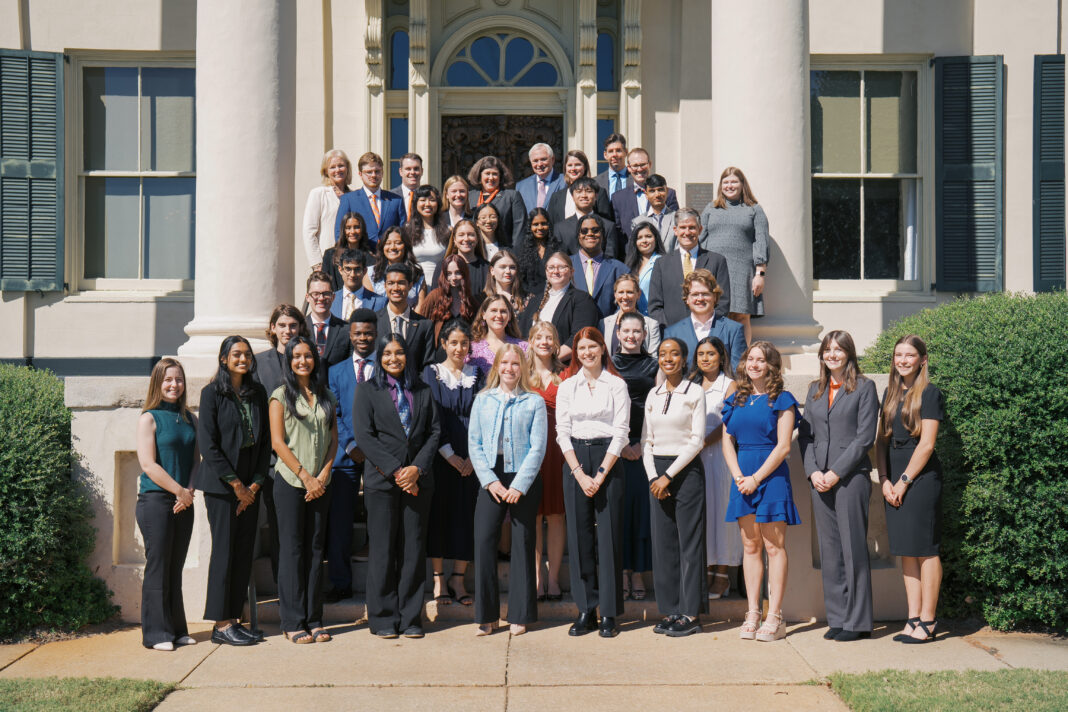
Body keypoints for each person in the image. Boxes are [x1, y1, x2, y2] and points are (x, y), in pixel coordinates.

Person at [353, 333, 441, 638]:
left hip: (418, 483)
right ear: (379, 358)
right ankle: (382, 618)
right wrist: (396, 470)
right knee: (382, 551)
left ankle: (410, 617)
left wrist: (416, 468)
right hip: (382, 483)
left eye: (399, 353)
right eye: (387, 353)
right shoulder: (367, 391)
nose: (393, 358)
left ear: (408, 356)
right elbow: (364, 436)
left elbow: (434, 432)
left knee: (413, 551)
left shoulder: (424, 391)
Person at [799, 330, 879, 642]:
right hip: (819, 479)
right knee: (830, 550)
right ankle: (838, 617)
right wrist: (812, 472)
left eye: (839, 349)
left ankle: (858, 622)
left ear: (849, 353)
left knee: (853, 548)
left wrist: (836, 472)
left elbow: (864, 437)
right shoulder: (815, 390)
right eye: (828, 349)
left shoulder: (864, 387)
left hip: (850, 478)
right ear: (821, 355)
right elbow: (805, 435)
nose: (832, 354)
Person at [721, 341, 800, 642]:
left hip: (771, 477)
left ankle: (775, 615)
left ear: (771, 366)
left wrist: (756, 477)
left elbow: (783, 446)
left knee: (773, 547)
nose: (754, 364)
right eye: (750, 359)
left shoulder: (783, 399)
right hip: (742, 479)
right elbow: (728, 441)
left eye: (761, 360)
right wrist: (739, 476)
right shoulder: (736, 399)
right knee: (750, 547)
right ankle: (752, 611)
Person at [195, 336, 271, 646]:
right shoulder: (211, 393)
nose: (243, 358)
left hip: (250, 488)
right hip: (222, 488)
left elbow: (264, 442)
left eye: (247, 354)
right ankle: (221, 624)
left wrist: (253, 484)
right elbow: (209, 445)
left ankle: (235, 620)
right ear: (224, 359)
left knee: (242, 555)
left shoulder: (258, 393)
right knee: (224, 553)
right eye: (236, 354)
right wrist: (237, 485)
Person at [556, 327, 631, 638]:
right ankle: (586, 607)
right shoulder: (567, 386)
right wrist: (579, 473)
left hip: (608, 460)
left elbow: (622, 431)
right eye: (581, 347)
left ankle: (609, 613)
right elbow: (562, 431)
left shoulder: (616, 385)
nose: (586, 352)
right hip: (575, 461)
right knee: (579, 536)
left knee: (609, 537)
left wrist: (600, 474)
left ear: (602, 348)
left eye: (592, 346)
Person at [469, 344, 548, 635]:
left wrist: (520, 485)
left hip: (522, 475)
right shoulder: (483, 399)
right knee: (484, 541)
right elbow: (474, 444)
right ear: (496, 367)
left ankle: (520, 614)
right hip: (491, 474)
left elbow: (538, 447)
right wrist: (490, 481)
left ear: (523, 368)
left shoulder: (534, 401)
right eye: (505, 363)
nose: (510, 369)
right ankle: (486, 616)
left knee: (523, 542)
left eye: (516, 364)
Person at [268, 336, 338, 644]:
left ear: (315, 359)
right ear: (288, 360)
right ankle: (293, 621)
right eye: (296, 356)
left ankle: (314, 618)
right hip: (291, 482)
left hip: (321, 484)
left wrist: (323, 473)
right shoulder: (280, 395)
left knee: (315, 550)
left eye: (307, 356)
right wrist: (305, 477)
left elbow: (334, 438)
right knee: (292, 550)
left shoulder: (326, 395)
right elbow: (277, 442)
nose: (302, 361)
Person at [876, 335, 944, 644]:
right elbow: (882, 442)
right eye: (898, 355)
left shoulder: (930, 394)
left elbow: (927, 444)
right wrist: (885, 479)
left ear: (922, 360)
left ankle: (929, 620)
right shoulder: (890, 394)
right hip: (894, 483)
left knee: (925, 550)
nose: (903, 360)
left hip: (921, 481)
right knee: (906, 551)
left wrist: (903, 481)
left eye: (910, 355)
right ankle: (913, 616)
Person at [643, 338, 708, 636]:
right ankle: (670, 610)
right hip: (656, 474)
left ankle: (690, 613)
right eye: (662, 354)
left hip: (685, 472)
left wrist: (667, 476)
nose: (668, 358)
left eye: (674, 354)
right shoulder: (653, 394)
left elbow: (697, 440)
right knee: (664, 544)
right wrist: (653, 478)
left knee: (689, 545)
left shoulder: (694, 392)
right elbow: (647, 441)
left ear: (684, 359)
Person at [135, 358, 198, 651]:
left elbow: (196, 461)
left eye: (179, 380)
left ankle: (176, 629)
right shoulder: (149, 417)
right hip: (156, 500)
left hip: (183, 500)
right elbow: (148, 465)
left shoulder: (189, 419)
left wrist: (189, 491)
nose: (174, 385)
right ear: (158, 383)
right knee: (159, 566)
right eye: (168, 380)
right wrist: (178, 491)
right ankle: (156, 634)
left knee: (175, 567)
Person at [423, 319, 484, 608]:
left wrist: (473, 455)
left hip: (472, 456)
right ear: (444, 344)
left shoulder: (479, 374)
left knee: (466, 515)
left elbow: (484, 414)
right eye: (454, 342)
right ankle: (438, 578)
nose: (459, 348)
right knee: (439, 514)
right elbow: (433, 415)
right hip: (440, 453)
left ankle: (458, 578)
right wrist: (449, 455)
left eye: (464, 342)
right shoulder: (432, 374)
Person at [324, 308, 379, 602]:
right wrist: (350, 446)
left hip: (379, 458)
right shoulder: (335, 371)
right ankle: (340, 581)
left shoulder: (386, 366)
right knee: (340, 523)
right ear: (350, 334)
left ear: (376, 334)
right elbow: (335, 412)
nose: (363, 338)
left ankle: (380, 584)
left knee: (380, 521)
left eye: (368, 333)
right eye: (358, 333)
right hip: (345, 458)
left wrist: (372, 448)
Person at [254, 305, 309, 585]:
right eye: (283, 325)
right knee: (279, 526)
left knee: (305, 529)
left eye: (293, 325)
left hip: (308, 457)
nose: (288, 331)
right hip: (273, 461)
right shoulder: (259, 363)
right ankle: (283, 585)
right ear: (273, 328)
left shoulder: (307, 360)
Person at [611, 312, 660, 603]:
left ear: (644, 334)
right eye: (626, 331)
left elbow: (656, 407)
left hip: (644, 445)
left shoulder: (653, 364)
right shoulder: (609, 365)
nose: (631, 336)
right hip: (614, 447)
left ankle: (639, 571)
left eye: (636, 331)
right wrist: (620, 446)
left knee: (641, 512)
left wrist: (642, 443)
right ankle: (622, 570)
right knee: (619, 510)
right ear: (618, 333)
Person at [689, 336, 741, 600]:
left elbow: (728, 423)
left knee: (720, 510)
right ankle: (706, 568)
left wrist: (702, 443)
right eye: (700, 354)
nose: (705, 358)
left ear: (721, 356)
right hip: (693, 457)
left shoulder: (729, 385)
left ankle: (722, 572)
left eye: (710, 353)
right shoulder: (690, 383)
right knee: (702, 512)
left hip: (719, 455)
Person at [698, 167, 770, 345]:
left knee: (740, 316)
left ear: (742, 184)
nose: (729, 186)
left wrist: (760, 274)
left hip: (741, 270)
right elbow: (699, 237)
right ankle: (716, 357)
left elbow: (761, 242)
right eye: (726, 182)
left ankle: (741, 360)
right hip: (712, 269)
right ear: (721, 186)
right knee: (713, 314)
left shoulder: (754, 210)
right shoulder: (711, 208)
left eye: (734, 182)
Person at [526, 322, 567, 602]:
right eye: (538, 337)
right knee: (533, 514)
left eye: (549, 337)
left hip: (558, 449)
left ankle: (553, 579)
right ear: (530, 341)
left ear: (555, 343)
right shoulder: (520, 374)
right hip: (530, 449)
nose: (543, 341)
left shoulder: (564, 375)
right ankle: (537, 578)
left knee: (555, 515)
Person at [647, 208, 731, 324]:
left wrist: (707, 327)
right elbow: (655, 306)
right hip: (672, 335)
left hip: (707, 334)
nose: (687, 232)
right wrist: (669, 332)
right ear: (675, 230)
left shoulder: (717, 261)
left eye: (692, 227)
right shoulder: (661, 264)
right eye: (682, 228)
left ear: (700, 229)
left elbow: (723, 302)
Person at [518, 252, 600, 363]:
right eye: (551, 267)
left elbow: (579, 338)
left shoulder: (582, 299)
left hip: (562, 368)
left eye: (561, 267)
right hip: (531, 368)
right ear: (546, 271)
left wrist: (549, 362)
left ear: (572, 272)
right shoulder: (534, 301)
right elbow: (523, 335)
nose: (555, 271)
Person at [664, 270, 746, 372]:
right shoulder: (672, 333)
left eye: (705, 294)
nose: (700, 298)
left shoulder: (734, 330)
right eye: (695, 294)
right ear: (687, 299)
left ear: (715, 297)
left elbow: (739, 371)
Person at [334, 151, 405, 247]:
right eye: (369, 172)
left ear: (382, 173)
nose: (373, 175)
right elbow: (340, 233)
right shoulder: (349, 199)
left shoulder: (396, 200)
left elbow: (403, 233)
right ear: (360, 174)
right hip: (360, 258)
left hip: (389, 258)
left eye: (377, 171)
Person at [375, 263, 436, 373]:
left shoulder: (425, 325)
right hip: (381, 387)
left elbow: (428, 365)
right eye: (391, 283)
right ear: (385, 286)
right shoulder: (374, 321)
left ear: (410, 285)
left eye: (401, 283)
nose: (396, 288)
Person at [611, 148, 679, 242]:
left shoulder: (669, 194)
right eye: (635, 166)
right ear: (629, 168)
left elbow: (675, 227)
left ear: (649, 165)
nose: (639, 169)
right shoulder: (618, 198)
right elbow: (617, 233)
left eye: (643, 164)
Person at [569, 214, 630, 319]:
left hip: (609, 330)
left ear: (603, 235)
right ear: (578, 236)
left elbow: (628, 302)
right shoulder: (565, 266)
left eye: (595, 230)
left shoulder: (620, 269)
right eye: (584, 231)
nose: (590, 234)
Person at [302, 148, 351, 270]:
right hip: (326, 262)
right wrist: (317, 264)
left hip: (350, 263)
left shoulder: (354, 195)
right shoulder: (319, 194)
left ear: (347, 168)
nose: (337, 170)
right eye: (332, 167)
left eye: (341, 166)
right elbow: (309, 231)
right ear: (326, 171)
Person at [556, 178, 624, 260]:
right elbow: (560, 260)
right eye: (579, 191)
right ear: (572, 196)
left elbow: (610, 258)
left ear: (596, 196)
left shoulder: (608, 226)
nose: (584, 195)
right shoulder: (560, 228)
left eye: (589, 191)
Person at [419, 253, 480, 346]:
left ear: (464, 274)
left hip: (463, 354)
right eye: (449, 274)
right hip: (438, 354)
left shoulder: (470, 301)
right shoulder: (434, 296)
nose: (454, 278)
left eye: (458, 272)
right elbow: (421, 325)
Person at [467, 155, 526, 247]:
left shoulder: (511, 196)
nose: (491, 178)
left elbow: (520, 230)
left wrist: (514, 256)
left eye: (495, 174)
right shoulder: (470, 196)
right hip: (475, 252)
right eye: (487, 173)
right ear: (479, 176)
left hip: (503, 252)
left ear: (501, 177)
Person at [365, 226, 428, 311]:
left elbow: (420, 309)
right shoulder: (371, 273)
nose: (393, 247)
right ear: (382, 247)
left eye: (398, 243)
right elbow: (369, 307)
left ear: (405, 246)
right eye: (388, 243)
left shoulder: (417, 274)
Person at [305, 270, 352, 380]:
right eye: (316, 294)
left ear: (333, 297)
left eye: (326, 293)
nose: (321, 298)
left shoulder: (346, 329)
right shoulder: (299, 329)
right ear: (308, 297)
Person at [548, 149, 614, 225]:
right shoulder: (556, 197)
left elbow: (606, 223)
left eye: (577, 164)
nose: (573, 169)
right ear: (565, 168)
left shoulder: (599, 193)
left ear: (585, 167)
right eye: (570, 165)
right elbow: (551, 225)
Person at [403, 184, 451, 287]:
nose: (427, 204)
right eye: (423, 200)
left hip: (440, 286)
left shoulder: (448, 231)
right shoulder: (407, 230)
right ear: (415, 203)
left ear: (438, 204)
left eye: (432, 200)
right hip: (414, 285)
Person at [601, 274, 662, 354]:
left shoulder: (651, 325)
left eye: (630, 292)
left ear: (638, 294)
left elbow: (653, 359)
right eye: (621, 292)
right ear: (615, 295)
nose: (625, 297)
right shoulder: (604, 324)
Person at [468, 294, 529, 374]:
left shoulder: (523, 347)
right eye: (494, 310)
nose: (499, 315)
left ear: (509, 315)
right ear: (484, 315)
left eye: (503, 311)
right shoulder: (471, 349)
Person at [432, 219, 490, 297]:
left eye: (471, 235)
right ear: (454, 240)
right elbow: (434, 298)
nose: (466, 239)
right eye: (461, 235)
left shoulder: (487, 268)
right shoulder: (442, 266)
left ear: (477, 239)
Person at [323, 212, 374, 290]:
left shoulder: (371, 259)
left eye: (357, 227)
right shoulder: (330, 255)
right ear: (343, 230)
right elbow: (325, 283)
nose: (352, 231)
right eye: (348, 228)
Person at [624, 221, 667, 316]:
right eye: (639, 238)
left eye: (648, 236)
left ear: (655, 238)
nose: (644, 240)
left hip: (658, 317)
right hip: (635, 318)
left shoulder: (664, 262)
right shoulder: (630, 265)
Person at [330, 250, 386, 320]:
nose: (352, 274)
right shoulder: (330, 300)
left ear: (365, 271)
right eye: (348, 269)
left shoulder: (380, 302)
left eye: (357, 269)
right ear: (340, 270)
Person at [515, 208, 562, 293]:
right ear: (530, 226)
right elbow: (520, 280)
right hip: (529, 298)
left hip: (554, 295)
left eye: (543, 223)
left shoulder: (558, 248)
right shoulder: (522, 249)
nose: (540, 228)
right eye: (535, 224)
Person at [629, 175, 676, 249]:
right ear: (646, 194)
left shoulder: (677, 219)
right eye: (652, 191)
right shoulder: (637, 222)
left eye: (660, 190)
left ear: (667, 191)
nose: (657, 194)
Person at [516, 142, 566, 212]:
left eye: (543, 159)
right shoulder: (521, 187)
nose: (539, 164)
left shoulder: (565, 182)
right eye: (535, 161)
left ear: (553, 159)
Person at [484, 248, 528, 315]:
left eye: (512, 267)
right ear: (492, 270)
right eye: (502, 267)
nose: (508, 271)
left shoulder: (527, 299)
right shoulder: (482, 299)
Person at [595, 132, 631, 198]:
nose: (614, 155)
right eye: (611, 151)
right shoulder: (596, 182)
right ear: (605, 155)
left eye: (618, 150)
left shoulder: (635, 179)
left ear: (626, 152)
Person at [396, 153, 424, 223]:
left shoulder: (429, 197)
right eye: (408, 169)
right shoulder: (390, 198)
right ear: (401, 172)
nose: (412, 172)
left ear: (422, 171)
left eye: (416, 169)